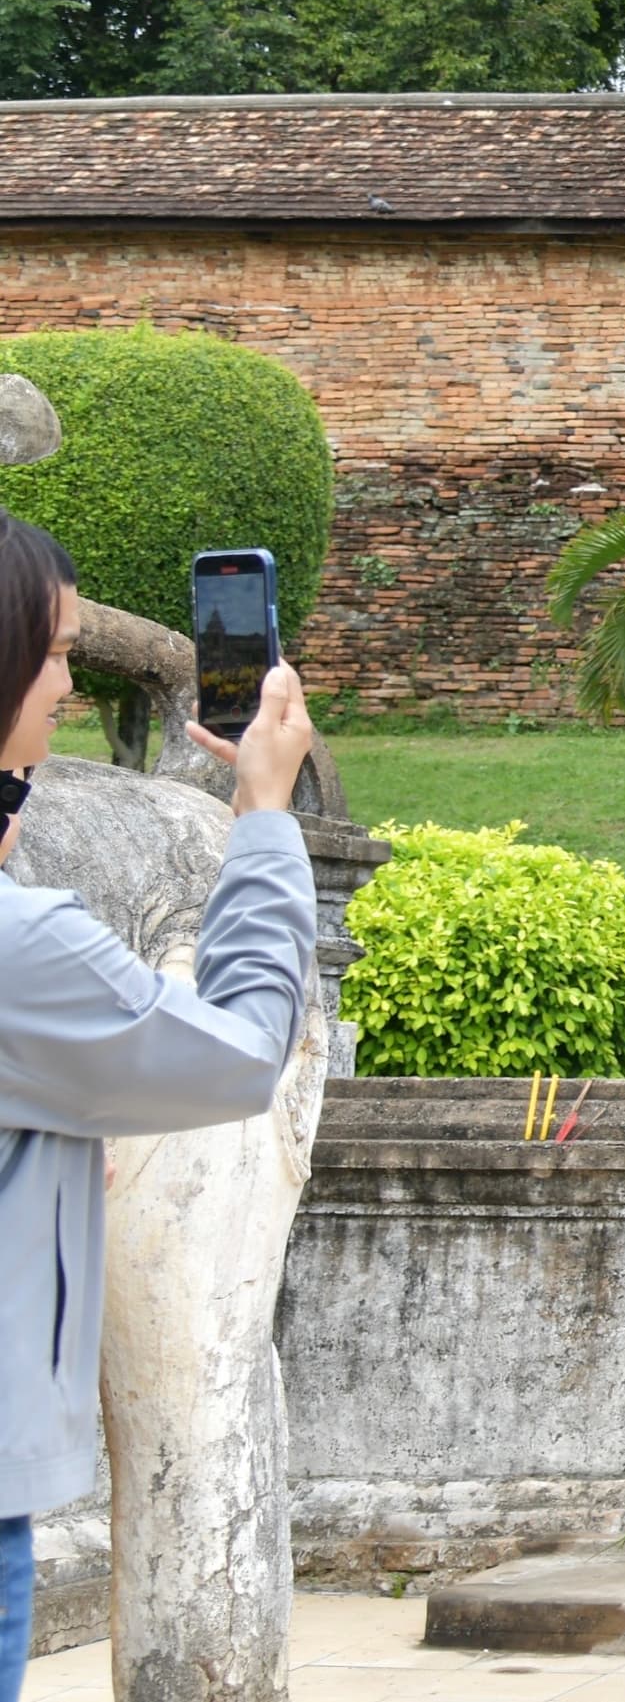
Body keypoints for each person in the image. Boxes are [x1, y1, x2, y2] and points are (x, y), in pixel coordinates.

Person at [0, 525, 318, 1702]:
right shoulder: (21, 945)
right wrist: (266, 812)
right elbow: (238, 1053)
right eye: (51, 652)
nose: (67, 685)